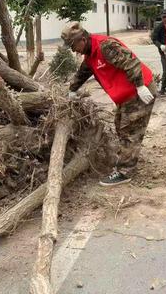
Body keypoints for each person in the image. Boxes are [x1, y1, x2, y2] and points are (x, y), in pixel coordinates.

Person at [61, 22, 156, 186]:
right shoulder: (90, 55)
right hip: (127, 96)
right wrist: (72, 90)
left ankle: (125, 172)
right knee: (120, 125)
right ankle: (127, 160)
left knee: (129, 130)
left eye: (73, 45)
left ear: (82, 39)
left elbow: (130, 61)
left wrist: (140, 85)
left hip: (139, 91)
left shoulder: (105, 46)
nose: (73, 50)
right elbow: (83, 71)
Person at [151, 9, 166, 96]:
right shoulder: (158, 27)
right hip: (164, 52)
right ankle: (163, 88)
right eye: (163, 17)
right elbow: (154, 39)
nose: (165, 19)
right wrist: (160, 45)